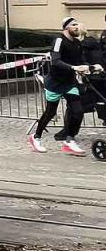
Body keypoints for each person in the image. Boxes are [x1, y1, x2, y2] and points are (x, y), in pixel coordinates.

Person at [30, 17, 87, 155]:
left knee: (78, 111)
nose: (77, 27)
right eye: (74, 25)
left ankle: (69, 140)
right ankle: (35, 137)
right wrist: (74, 68)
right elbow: (55, 61)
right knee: (51, 112)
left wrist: (91, 67)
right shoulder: (59, 40)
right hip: (55, 83)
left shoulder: (77, 43)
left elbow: (81, 61)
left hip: (69, 83)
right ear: (66, 27)